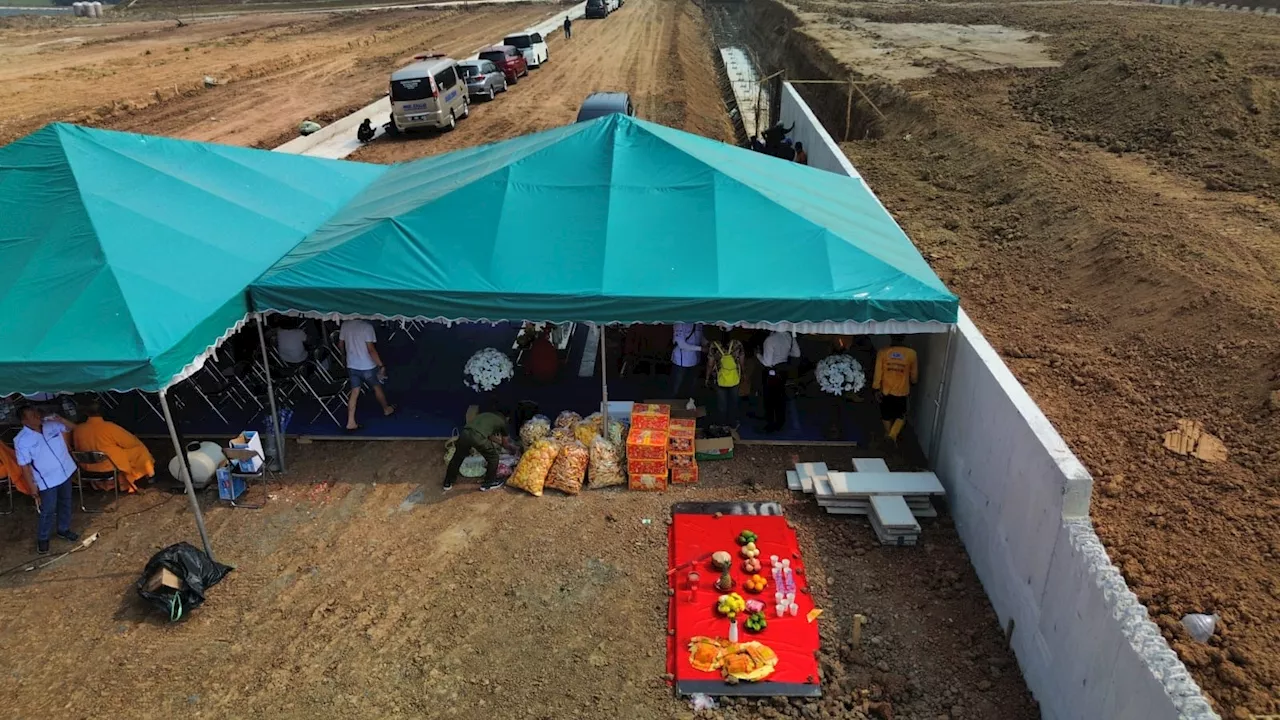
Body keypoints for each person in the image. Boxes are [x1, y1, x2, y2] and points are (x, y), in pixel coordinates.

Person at [14, 405, 80, 554]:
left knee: (66, 502)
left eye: (36, 413)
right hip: (46, 480)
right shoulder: (21, 440)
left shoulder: (51, 425)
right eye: (32, 415)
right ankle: (43, 538)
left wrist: (60, 418)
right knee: (48, 509)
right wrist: (32, 487)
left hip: (65, 471)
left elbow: (73, 427)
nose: (37, 416)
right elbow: (24, 466)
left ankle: (63, 529)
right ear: (24, 420)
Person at [72, 400, 155, 494]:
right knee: (140, 449)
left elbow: (78, 447)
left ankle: (102, 484)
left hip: (88, 468)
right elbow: (130, 443)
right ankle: (149, 475)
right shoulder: (109, 427)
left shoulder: (78, 429)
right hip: (110, 466)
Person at [338, 319, 395, 431]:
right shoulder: (367, 327)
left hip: (352, 364)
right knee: (376, 387)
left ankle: (351, 422)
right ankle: (386, 409)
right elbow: (371, 350)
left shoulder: (345, 325)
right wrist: (381, 365)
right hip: (367, 365)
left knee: (354, 392)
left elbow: (340, 344)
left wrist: (344, 357)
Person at [443, 409, 510, 492]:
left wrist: (499, 442)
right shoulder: (502, 422)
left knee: (457, 458)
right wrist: (514, 448)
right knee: (493, 457)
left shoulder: (485, 415)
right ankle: (489, 483)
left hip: (465, 434)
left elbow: (489, 436)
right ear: (506, 418)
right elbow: (506, 444)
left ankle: (447, 482)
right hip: (478, 437)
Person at [873, 335, 919, 444]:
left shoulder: (883, 352)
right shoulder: (911, 354)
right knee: (901, 414)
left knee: (886, 414)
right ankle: (892, 436)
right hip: (902, 390)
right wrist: (913, 381)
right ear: (904, 338)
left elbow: (878, 372)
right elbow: (914, 374)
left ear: (890, 338)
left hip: (886, 389)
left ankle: (888, 435)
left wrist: (876, 388)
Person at [756, 330, 799, 433]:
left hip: (773, 372)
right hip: (784, 371)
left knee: (770, 399)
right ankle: (780, 423)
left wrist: (758, 355)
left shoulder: (770, 340)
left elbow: (767, 362)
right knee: (781, 398)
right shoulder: (788, 336)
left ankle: (770, 424)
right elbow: (797, 353)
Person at [706, 332, 744, 429]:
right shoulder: (737, 344)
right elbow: (741, 361)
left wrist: (707, 377)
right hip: (734, 378)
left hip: (719, 379)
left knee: (721, 403)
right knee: (734, 401)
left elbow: (710, 364)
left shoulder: (714, 345)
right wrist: (743, 373)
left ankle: (721, 424)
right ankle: (733, 423)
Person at [669, 323, 704, 399]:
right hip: (680, 360)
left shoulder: (699, 323)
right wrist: (701, 349)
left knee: (692, 387)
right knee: (676, 387)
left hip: (695, 360)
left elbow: (701, 337)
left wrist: (709, 344)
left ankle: (689, 406)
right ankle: (673, 405)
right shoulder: (679, 323)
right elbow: (681, 344)